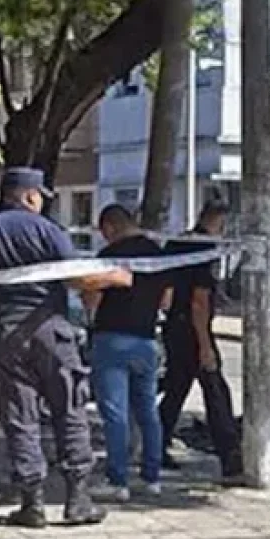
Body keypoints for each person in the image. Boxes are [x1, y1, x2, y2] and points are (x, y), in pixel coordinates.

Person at [0, 167, 132, 529]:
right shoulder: (47, 231)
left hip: (5, 333)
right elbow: (76, 277)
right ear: (29, 196)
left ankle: (31, 503)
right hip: (50, 329)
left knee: (20, 416)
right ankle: (77, 499)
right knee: (69, 408)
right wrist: (116, 276)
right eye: (40, 197)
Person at [85, 204, 170, 502]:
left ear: (109, 228)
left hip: (112, 339)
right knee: (148, 411)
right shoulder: (158, 255)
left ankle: (117, 480)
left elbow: (93, 297)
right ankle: (152, 477)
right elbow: (166, 301)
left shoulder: (111, 256)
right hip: (146, 341)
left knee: (115, 413)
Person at [159, 193, 242, 478]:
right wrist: (205, 344)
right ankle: (230, 455)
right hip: (193, 328)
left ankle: (155, 446)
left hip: (174, 326)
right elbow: (199, 301)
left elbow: (165, 292)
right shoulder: (205, 249)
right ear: (220, 221)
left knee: (177, 387)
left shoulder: (178, 243)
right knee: (215, 390)